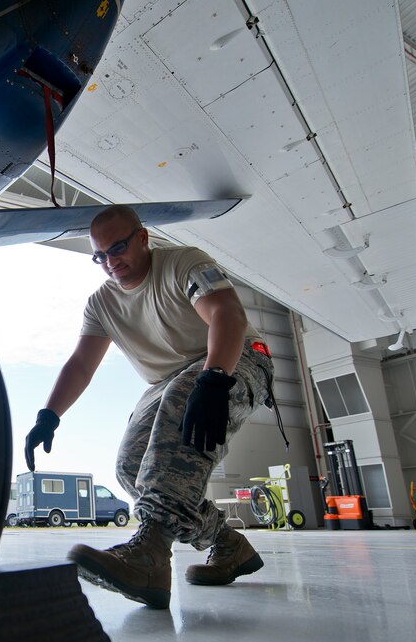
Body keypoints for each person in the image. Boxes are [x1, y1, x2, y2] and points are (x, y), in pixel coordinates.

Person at [25, 205, 275, 609]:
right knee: (132, 465)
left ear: (143, 238)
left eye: (118, 248)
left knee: (184, 395)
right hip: (169, 381)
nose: (110, 262)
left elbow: (226, 313)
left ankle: (150, 555)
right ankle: (228, 544)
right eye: (100, 256)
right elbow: (81, 364)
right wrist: (48, 415)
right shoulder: (102, 304)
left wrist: (214, 378)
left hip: (235, 356)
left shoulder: (183, 263)